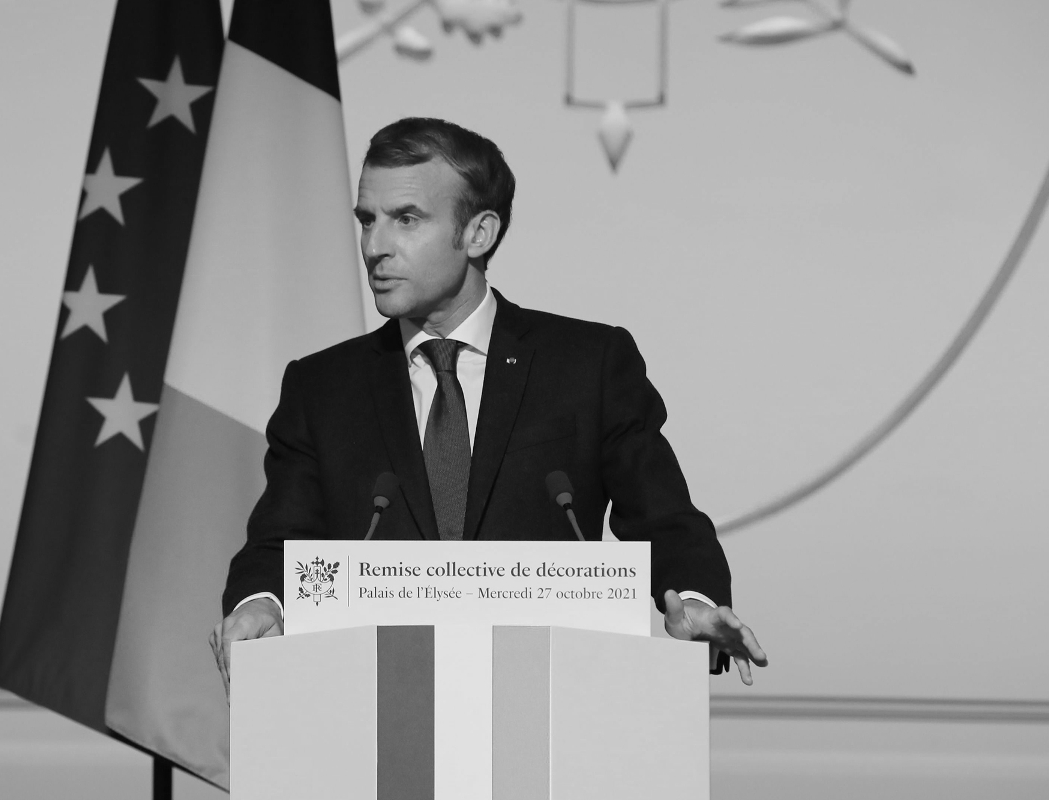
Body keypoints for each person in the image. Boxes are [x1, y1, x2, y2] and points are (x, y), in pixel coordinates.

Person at [209, 117, 766, 691]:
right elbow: (280, 541)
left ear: (478, 233)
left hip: (544, 705)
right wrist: (261, 603)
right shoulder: (323, 385)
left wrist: (694, 599)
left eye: (406, 219)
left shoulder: (586, 364)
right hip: (381, 709)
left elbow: (663, 517)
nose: (374, 247)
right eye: (367, 220)